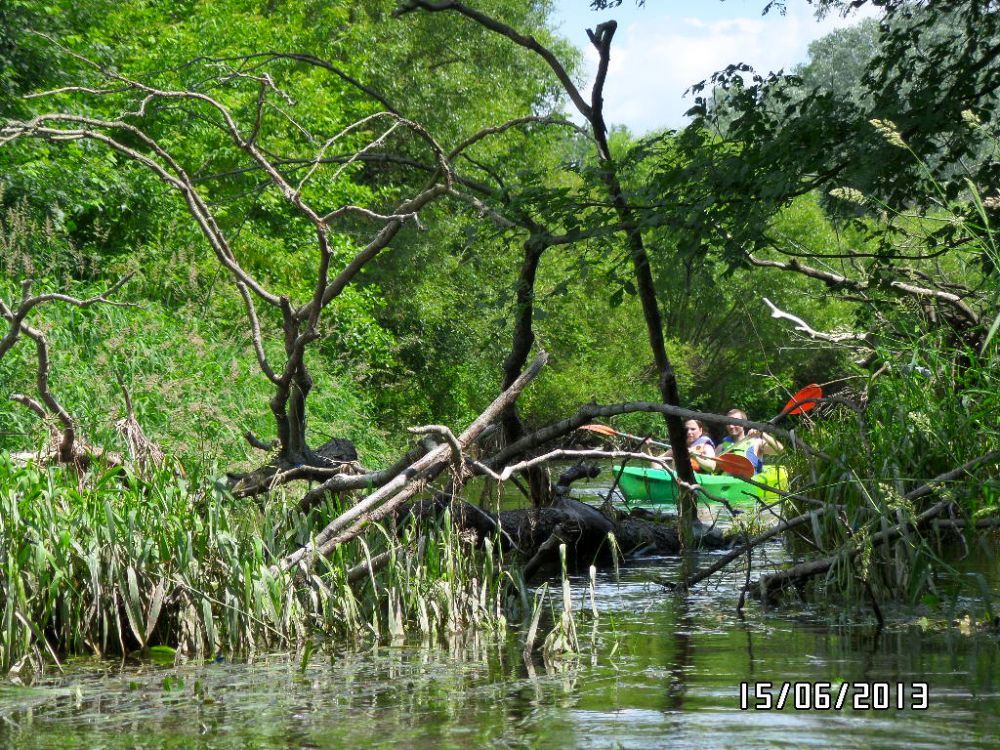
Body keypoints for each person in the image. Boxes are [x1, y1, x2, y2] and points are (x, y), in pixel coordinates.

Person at [718, 408, 783, 473]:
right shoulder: (721, 447)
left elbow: (781, 450)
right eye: (728, 423)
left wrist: (762, 434)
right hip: (726, 482)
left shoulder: (756, 443)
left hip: (749, 482)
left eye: (735, 422)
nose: (731, 426)